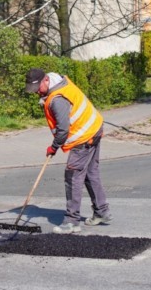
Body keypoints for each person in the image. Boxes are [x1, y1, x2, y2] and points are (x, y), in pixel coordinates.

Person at [25, 68, 112, 234]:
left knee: (72, 176)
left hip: (84, 137)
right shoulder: (59, 82)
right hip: (94, 127)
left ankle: (71, 222)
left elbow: (63, 130)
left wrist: (54, 147)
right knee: (90, 173)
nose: (37, 92)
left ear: (45, 81)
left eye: (38, 88)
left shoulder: (57, 99)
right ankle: (102, 211)